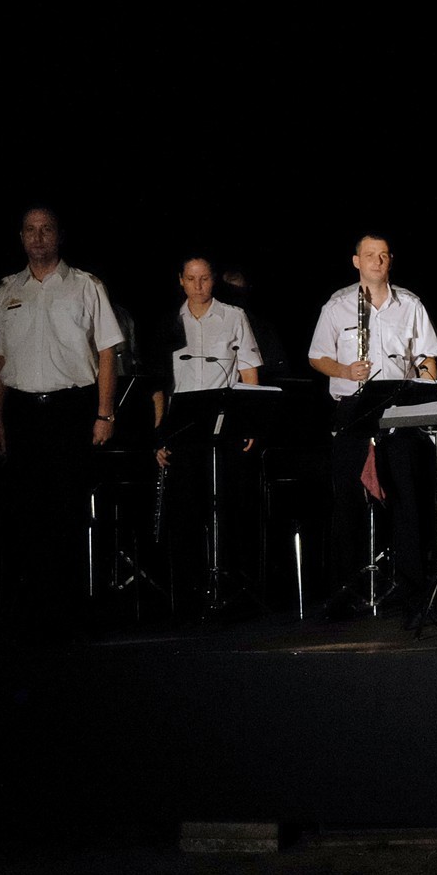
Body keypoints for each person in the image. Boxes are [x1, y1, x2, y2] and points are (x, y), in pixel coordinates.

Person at [0, 205, 124, 623]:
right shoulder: (5, 290)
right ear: (21, 238)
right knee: (26, 512)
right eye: (30, 230)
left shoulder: (86, 286)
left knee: (66, 511)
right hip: (23, 411)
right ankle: (33, 609)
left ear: (59, 235)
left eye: (46, 229)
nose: (38, 237)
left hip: (70, 409)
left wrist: (105, 414)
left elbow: (107, 350)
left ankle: (68, 610)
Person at [306, 234, 437, 622]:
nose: (377, 261)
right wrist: (345, 370)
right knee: (348, 503)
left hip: (398, 410)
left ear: (390, 260)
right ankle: (345, 592)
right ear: (356, 261)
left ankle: (411, 592)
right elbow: (317, 356)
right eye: (370, 255)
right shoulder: (337, 305)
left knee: (406, 500)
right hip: (353, 410)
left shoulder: (410, 304)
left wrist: (429, 396)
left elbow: (426, 356)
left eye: (383, 255)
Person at [147, 256, 263, 620]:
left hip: (224, 423)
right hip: (183, 427)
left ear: (214, 280)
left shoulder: (233, 316)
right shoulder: (169, 322)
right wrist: (160, 434)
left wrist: (249, 422)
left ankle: (233, 589)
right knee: (185, 512)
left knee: (229, 507)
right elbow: (159, 385)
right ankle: (189, 594)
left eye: (205, 278)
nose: (198, 286)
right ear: (181, 281)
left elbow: (249, 370)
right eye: (191, 279)